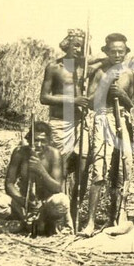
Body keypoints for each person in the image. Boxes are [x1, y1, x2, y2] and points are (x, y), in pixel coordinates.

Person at [81, 33, 134, 236]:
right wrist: (105, 86)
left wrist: (122, 96)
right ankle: (90, 222)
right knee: (99, 169)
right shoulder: (99, 72)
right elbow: (90, 102)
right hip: (103, 118)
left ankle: (119, 215)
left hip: (123, 120)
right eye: (113, 51)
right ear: (106, 52)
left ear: (126, 52)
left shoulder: (130, 73)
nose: (117, 55)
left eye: (121, 51)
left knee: (125, 167)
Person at [39, 28, 91, 222]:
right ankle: (56, 213)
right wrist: (73, 100)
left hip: (81, 123)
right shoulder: (54, 67)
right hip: (60, 123)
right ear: (66, 44)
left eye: (83, 46)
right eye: (75, 45)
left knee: (83, 165)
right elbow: (44, 97)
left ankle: (75, 211)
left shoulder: (85, 68)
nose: (79, 49)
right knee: (59, 167)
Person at [0, 122, 73, 236]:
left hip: (45, 204)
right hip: (24, 202)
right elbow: (9, 184)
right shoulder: (19, 152)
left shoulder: (54, 154)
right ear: (28, 139)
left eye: (43, 141)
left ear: (49, 141)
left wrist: (41, 170)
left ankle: (43, 222)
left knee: (61, 201)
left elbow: (57, 188)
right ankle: (24, 221)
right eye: (35, 140)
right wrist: (24, 202)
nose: (38, 144)